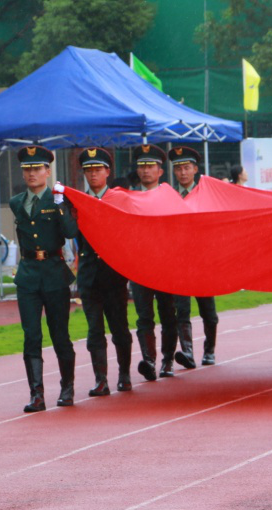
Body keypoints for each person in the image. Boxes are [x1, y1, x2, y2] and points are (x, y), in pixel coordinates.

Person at [10, 145, 79, 412]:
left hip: (53, 272)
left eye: (37, 168)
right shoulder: (17, 202)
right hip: (28, 274)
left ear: (48, 171)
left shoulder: (59, 200)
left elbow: (71, 233)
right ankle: (36, 394)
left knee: (60, 333)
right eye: (27, 169)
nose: (31, 174)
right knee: (31, 335)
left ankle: (67, 388)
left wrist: (62, 207)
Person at [75, 147, 134, 395]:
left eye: (97, 170)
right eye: (88, 171)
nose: (93, 175)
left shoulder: (119, 199)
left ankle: (124, 375)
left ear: (107, 172)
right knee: (94, 330)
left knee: (119, 327)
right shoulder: (77, 201)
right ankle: (101, 379)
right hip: (89, 275)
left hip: (113, 275)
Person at [128, 144, 179, 379]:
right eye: (141, 166)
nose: (145, 170)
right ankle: (148, 360)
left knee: (168, 313)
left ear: (160, 171)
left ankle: (167, 360)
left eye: (150, 166)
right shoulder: (129, 198)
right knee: (144, 316)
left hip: (166, 265)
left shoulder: (170, 196)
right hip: (140, 265)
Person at [168, 146, 221, 368]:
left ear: (195, 169)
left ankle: (209, 350)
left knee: (208, 309)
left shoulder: (206, 194)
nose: (182, 173)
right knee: (182, 309)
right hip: (179, 262)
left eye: (186, 168)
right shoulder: (168, 196)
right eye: (178, 169)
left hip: (202, 262)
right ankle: (187, 352)